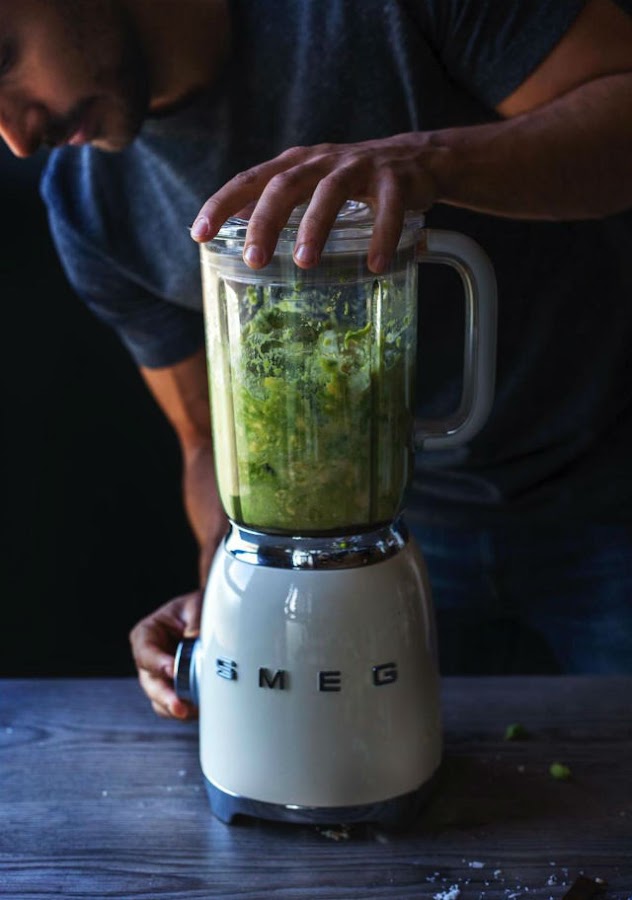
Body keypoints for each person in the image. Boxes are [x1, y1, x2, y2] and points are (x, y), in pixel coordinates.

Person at [2, 0, 631, 718]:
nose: (18, 138)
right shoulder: (88, 207)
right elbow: (211, 442)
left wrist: (427, 163)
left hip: (608, 482)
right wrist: (223, 606)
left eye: (3, 60)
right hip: (387, 542)